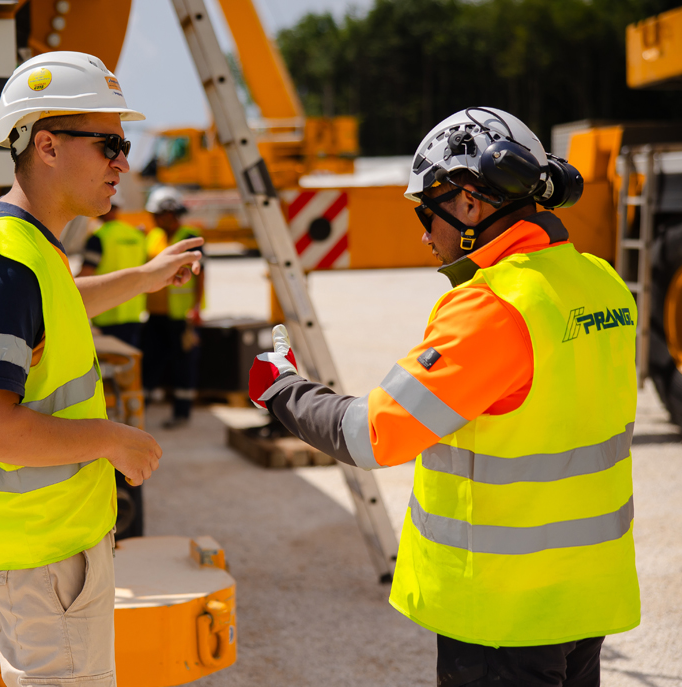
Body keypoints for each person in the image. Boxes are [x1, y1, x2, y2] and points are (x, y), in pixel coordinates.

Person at [248, 107, 640, 687]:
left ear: (469, 203)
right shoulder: (602, 282)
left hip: (503, 612)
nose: (425, 234)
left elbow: (372, 434)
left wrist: (282, 388)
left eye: (426, 212)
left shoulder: (493, 306)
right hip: (585, 595)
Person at [0, 52, 202, 687]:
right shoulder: (6, 267)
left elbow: (55, 307)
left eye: (124, 144)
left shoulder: (25, 246)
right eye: (109, 144)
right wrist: (112, 440)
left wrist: (144, 277)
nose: (123, 163)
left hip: (43, 545)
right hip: (41, 551)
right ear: (48, 146)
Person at [140, 186, 205, 428]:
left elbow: (201, 275)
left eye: (158, 215)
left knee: (183, 364)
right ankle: (141, 409)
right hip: (155, 313)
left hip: (181, 316)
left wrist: (196, 308)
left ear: (170, 213)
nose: (155, 220)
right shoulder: (153, 236)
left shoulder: (190, 238)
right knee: (150, 361)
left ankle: (181, 413)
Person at [79, 201, 148, 349]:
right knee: (130, 358)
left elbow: (86, 273)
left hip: (106, 311)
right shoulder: (136, 235)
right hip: (133, 310)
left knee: (111, 360)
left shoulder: (99, 237)